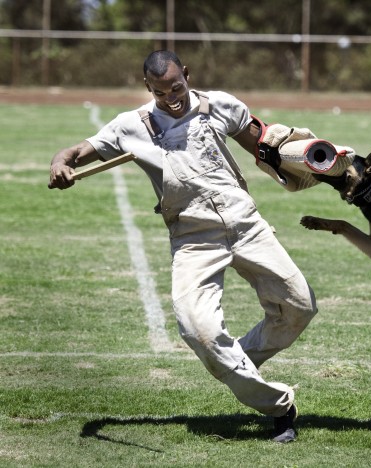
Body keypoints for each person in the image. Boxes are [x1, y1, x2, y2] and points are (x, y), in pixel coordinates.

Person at [48, 50, 318, 443]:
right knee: (198, 329)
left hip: (246, 224)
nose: (171, 97)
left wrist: (313, 161)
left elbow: (263, 145)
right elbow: (75, 151)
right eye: (160, 92)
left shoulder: (221, 105)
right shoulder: (130, 126)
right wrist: (61, 163)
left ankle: (233, 360)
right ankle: (278, 405)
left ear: (187, 74)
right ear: (148, 88)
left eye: (176, 87)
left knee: (299, 307)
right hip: (194, 239)